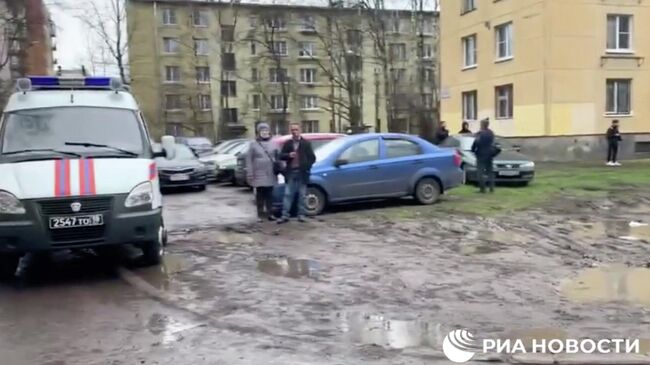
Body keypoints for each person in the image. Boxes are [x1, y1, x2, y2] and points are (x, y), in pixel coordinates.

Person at [277, 122, 316, 224]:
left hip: (302, 172)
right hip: (291, 172)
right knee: (288, 194)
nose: (294, 132)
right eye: (292, 130)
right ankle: (285, 215)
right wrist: (288, 155)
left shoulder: (306, 143)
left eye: (296, 129)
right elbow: (281, 156)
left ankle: (301, 215)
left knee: (302, 195)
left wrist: (306, 167)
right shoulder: (288, 143)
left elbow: (312, 158)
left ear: (300, 131)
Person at [246, 122, 279, 222]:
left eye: (266, 130)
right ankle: (260, 215)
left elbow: (278, 156)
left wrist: (281, 167)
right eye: (262, 131)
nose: (264, 133)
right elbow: (249, 160)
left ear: (269, 132)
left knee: (270, 194)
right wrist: (250, 173)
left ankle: (270, 214)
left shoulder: (274, 143)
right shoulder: (253, 144)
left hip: (270, 173)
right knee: (260, 195)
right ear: (258, 132)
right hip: (258, 173)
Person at [471, 118, 497, 193]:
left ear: (482, 125)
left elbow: (476, 142)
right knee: (490, 172)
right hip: (490, 154)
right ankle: (492, 188)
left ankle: (482, 189)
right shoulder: (491, 133)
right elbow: (492, 142)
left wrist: (473, 149)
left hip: (481, 154)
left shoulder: (480, 133)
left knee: (480, 172)